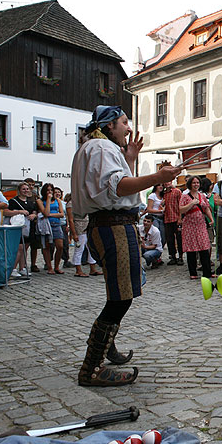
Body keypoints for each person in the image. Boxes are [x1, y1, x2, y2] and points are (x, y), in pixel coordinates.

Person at [71, 105, 180, 386]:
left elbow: (116, 185)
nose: (128, 128)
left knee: (120, 293)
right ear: (109, 126)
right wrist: (158, 177)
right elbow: (117, 188)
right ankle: (91, 368)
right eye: (123, 123)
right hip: (113, 226)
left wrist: (129, 158)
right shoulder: (101, 148)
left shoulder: (97, 148)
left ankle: (106, 349)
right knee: (121, 297)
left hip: (111, 224)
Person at [180, 175, 216, 280]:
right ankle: (193, 272)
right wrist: (191, 203)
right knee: (191, 249)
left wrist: (211, 219)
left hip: (200, 224)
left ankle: (207, 272)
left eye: (197, 183)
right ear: (190, 184)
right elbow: (181, 210)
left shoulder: (201, 196)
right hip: (189, 225)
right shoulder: (185, 196)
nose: (196, 185)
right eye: (194, 183)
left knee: (204, 247)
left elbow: (206, 208)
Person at [4, 182, 36, 277]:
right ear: (19, 190)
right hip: (17, 227)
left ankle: (22, 268)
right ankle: (13, 268)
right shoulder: (13, 201)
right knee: (19, 248)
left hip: (28, 227)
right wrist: (19, 212)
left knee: (25, 248)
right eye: (23, 189)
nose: (26, 191)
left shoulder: (30, 202)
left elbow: (34, 211)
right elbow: (6, 212)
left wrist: (33, 215)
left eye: (27, 189)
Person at [66, 194, 100, 277]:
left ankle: (93, 268)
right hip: (79, 227)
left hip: (87, 226)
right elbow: (71, 220)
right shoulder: (71, 204)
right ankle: (78, 269)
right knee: (79, 249)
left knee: (91, 248)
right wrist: (74, 233)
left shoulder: (84, 202)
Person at [36, 183, 65, 274]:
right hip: (46, 225)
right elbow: (45, 212)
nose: (50, 192)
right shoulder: (40, 201)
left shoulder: (57, 201)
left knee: (60, 246)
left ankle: (57, 266)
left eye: (51, 190)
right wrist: (48, 200)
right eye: (48, 190)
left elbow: (61, 214)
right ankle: (49, 267)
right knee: (47, 246)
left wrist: (51, 215)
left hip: (56, 224)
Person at [162, 181, 184, 266]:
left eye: (168, 181)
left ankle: (181, 257)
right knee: (170, 239)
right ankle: (173, 257)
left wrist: (180, 218)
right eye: (165, 182)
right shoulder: (164, 193)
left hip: (176, 218)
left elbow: (181, 205)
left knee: (179, 239)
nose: (167, 183)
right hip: (167, 219)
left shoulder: (177, 191)